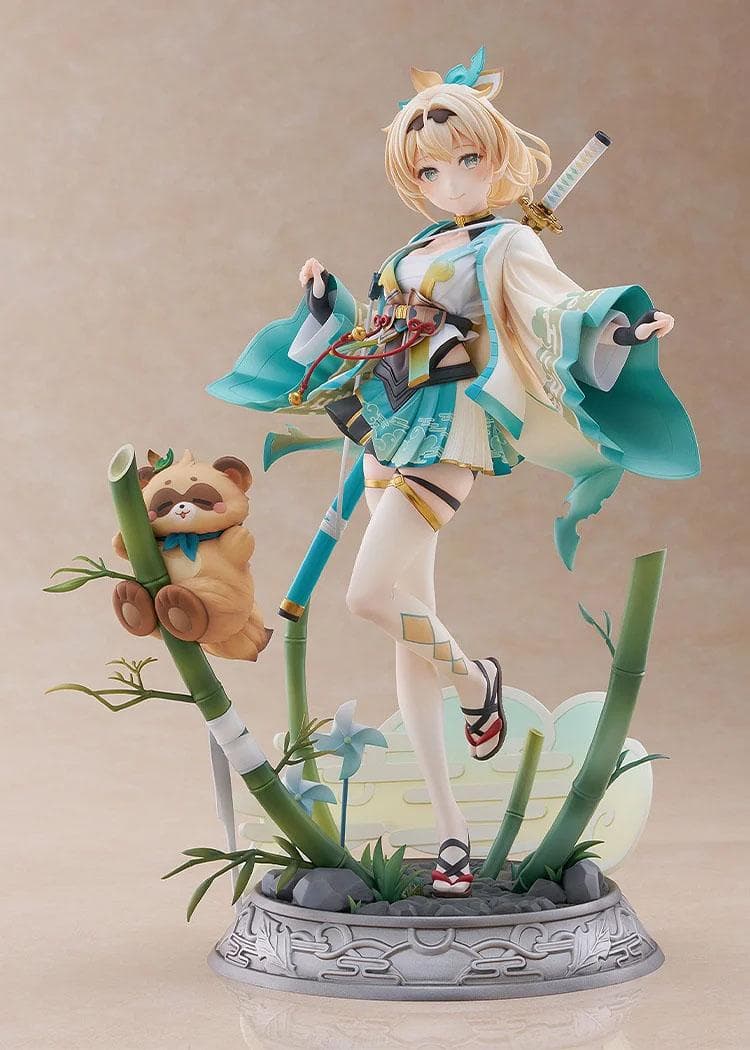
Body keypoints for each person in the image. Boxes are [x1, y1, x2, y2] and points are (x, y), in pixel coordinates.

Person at [207, 48, 699, 897]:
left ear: (497, 157)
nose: (451, 180)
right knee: (411, 633)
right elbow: (380, 329)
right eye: (431, 170)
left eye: (467, 160)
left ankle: (478, 683)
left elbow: (558, 311)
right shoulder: (423, 244)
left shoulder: (510, 241)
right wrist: (326, 301)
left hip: (450, 432)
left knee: (368, 596)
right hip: (388, 426)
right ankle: (452, 835)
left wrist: (621, 329)